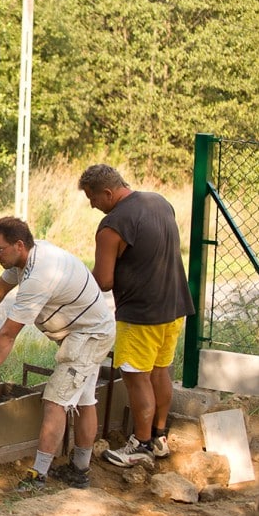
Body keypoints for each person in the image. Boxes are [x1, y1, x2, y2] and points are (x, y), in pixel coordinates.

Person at [0, 217, 115, 491]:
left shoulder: (39, 276)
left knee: (54, 401)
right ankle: (80, 469)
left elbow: (7, 335)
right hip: (87, 332)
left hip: (89, 337)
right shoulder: (29, 258)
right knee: (83, 400)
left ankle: (39, 476)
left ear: (18, 245)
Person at [79, 164, 194, 468]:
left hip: (140, 314)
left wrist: (75, 287)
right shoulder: (159, 202)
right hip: (174, 306)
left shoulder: (112, 225)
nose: (92, 206)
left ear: (107, 192)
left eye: (93, 199)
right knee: (160, 371)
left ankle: (141, 445)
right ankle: (158, 437)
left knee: (134, 375)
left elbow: (104, 281)